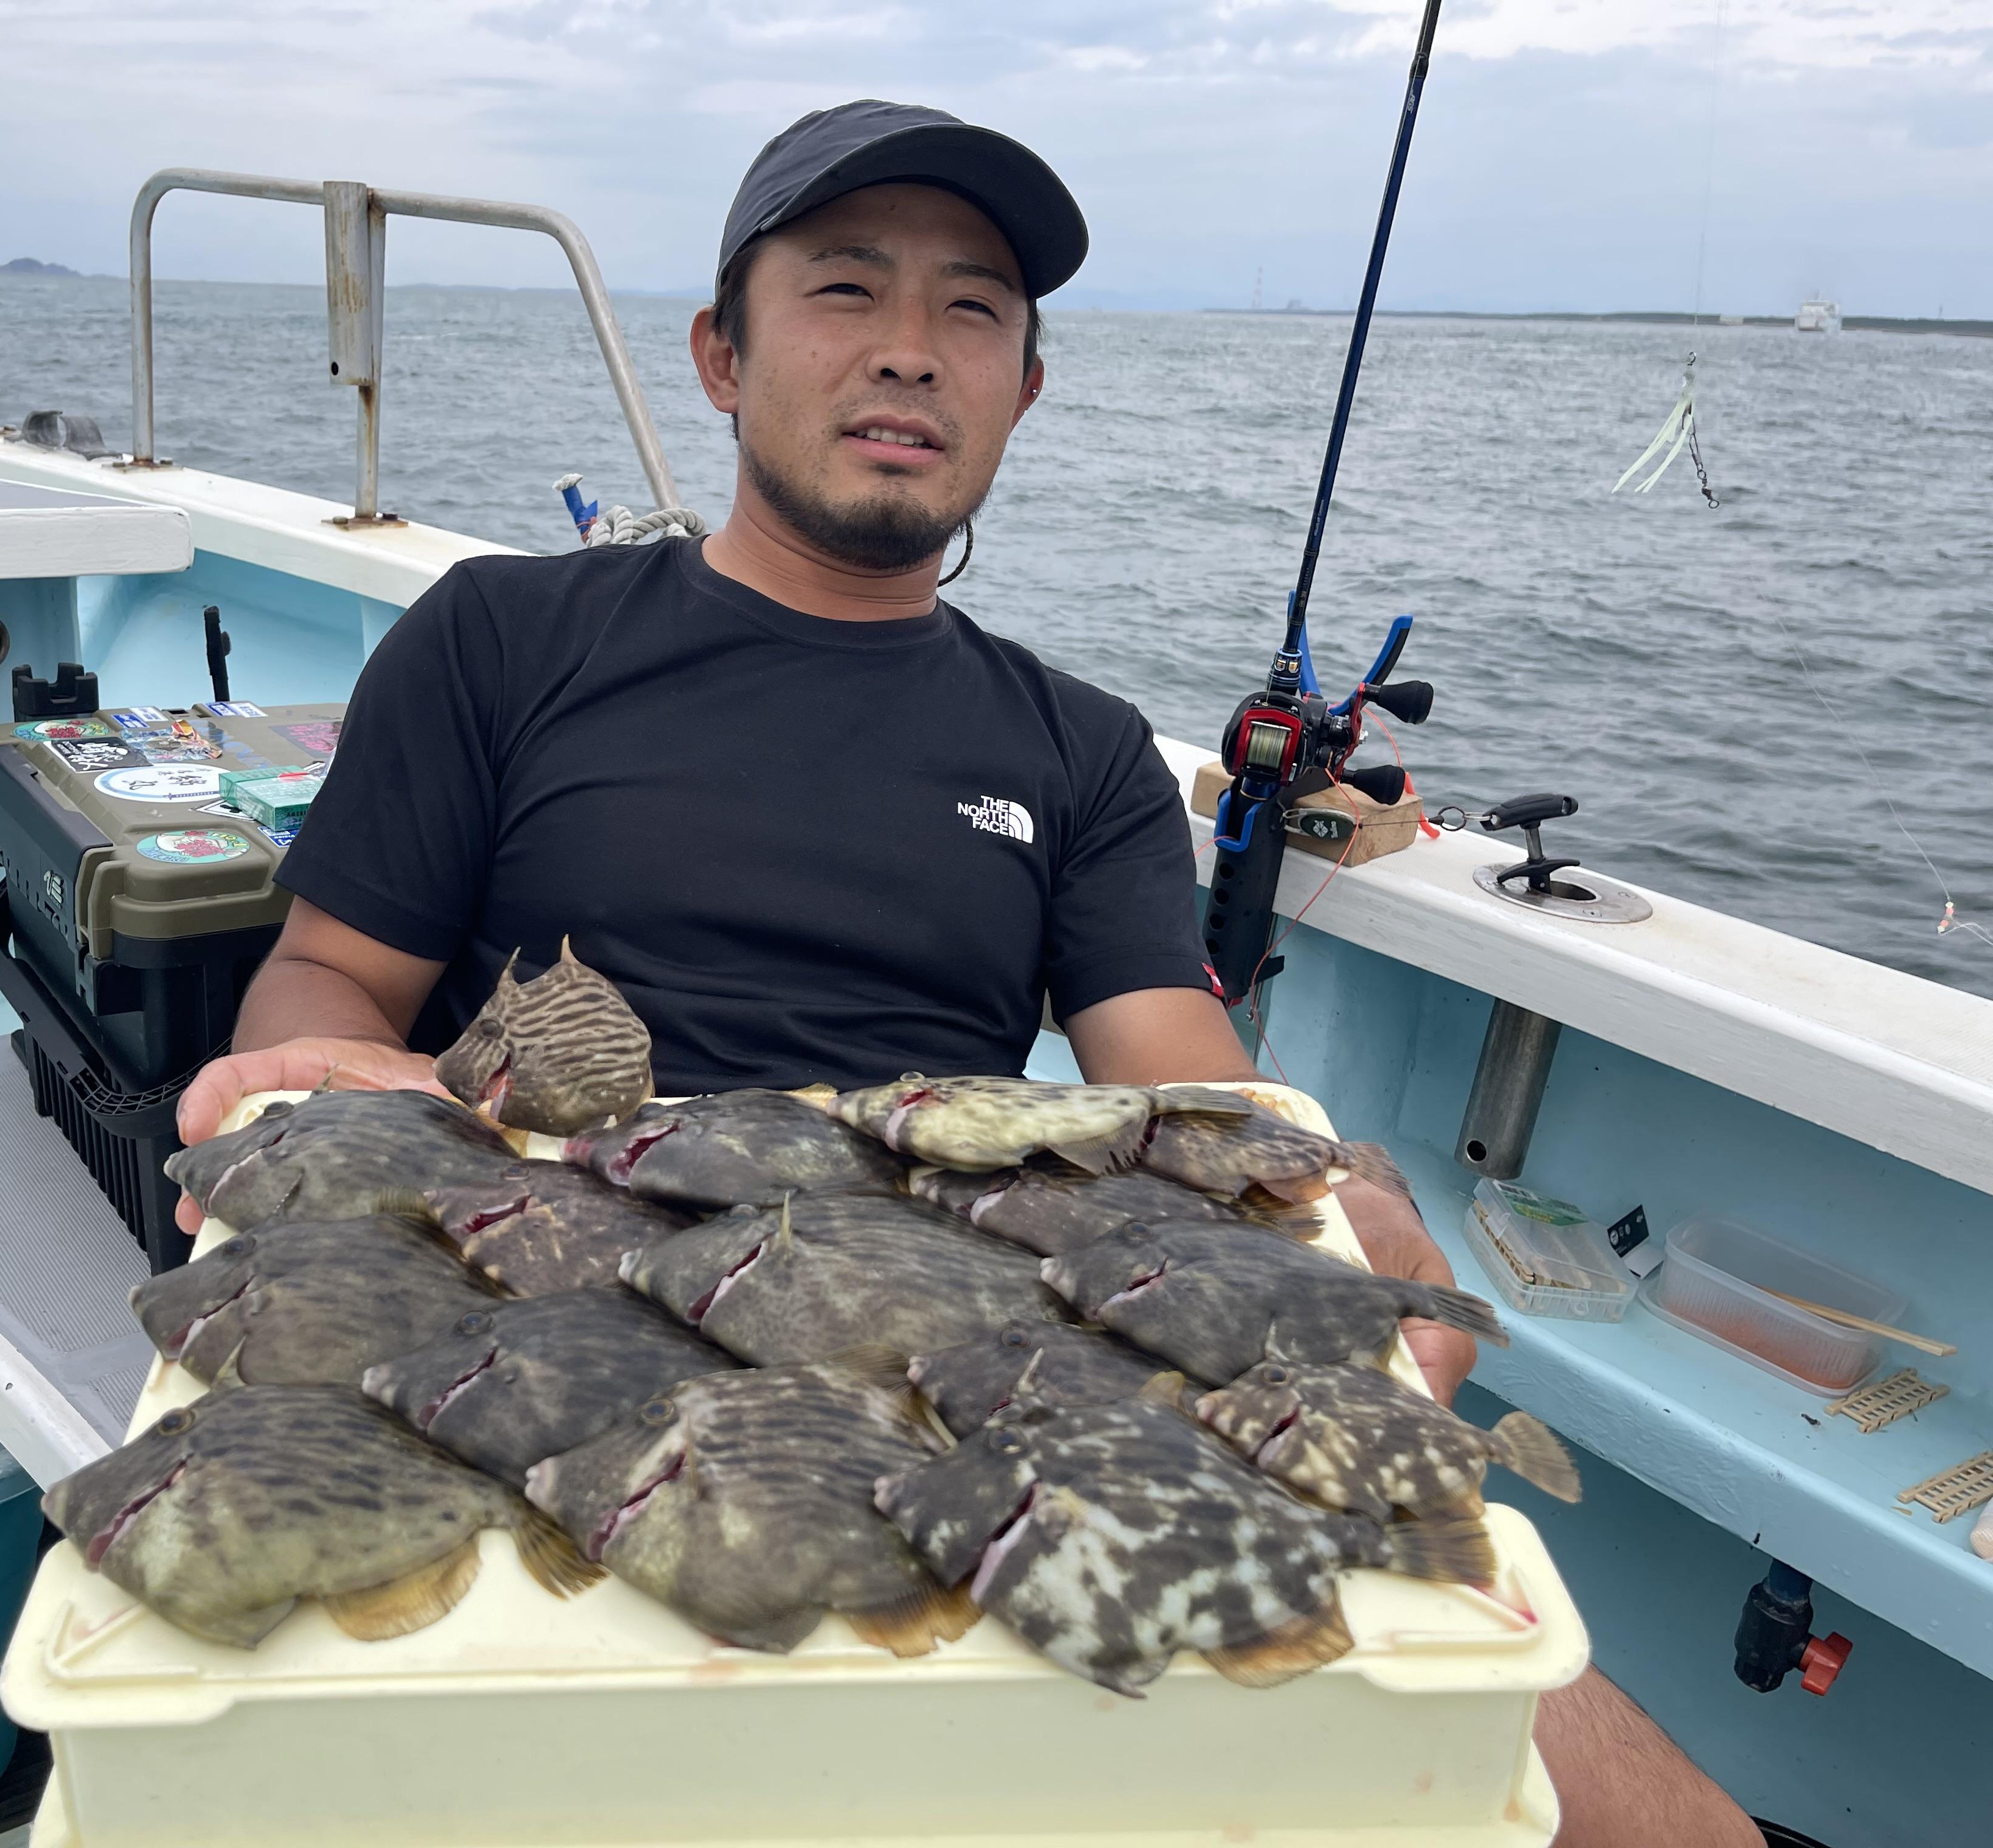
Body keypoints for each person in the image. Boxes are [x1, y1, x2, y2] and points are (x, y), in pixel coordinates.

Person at [173, 98, 1759, 1848]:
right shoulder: (501, 636)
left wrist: (1317, 1198)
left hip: (952, 1312)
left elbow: (1185, 1085)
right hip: (536, 1273)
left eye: (973, 313)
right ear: (721, 353)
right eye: (846, 293)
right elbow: (322, 985)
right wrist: (333, 1070)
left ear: (1025, 388)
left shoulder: (1080, 752)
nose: (911, 355)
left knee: (1630, 1794)